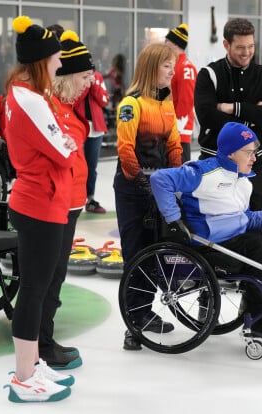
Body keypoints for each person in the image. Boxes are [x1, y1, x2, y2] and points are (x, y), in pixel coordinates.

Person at [150, 122, 262, 337]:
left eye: (254, 152)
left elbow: (244, 219)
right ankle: (259, 318)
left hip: (233, 241)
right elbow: (160, 179)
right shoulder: (203, 173)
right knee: (259, 245)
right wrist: (174, 220)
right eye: (248, 152)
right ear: (230, 154)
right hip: (206, 245)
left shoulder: (243, 181)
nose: (254, 158)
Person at [2, 15, 77, 403]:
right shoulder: (31, 100)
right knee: (34, 290)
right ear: (39, 61)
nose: (60, 65)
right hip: (40, 203)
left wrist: (64, 139)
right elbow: (65, 150)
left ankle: (29, 366)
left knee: (35, 287)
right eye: (55, 59)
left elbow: (60, 141)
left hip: (36, 199)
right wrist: (67, 142)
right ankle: (23, 377)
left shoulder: (18, 92)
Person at [113, 43, 182, 351]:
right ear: (152, 68)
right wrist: (142, 182)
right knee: (136, 253)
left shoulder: (167, 103)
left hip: (160, 186)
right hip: (133, 189)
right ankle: (133, 323)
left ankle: (145, 310)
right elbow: (125, 148)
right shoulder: (132, 103)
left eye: (173, 66)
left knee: (155, 250)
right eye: (168, 66)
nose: (173, 71)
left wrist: (177, 178)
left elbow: (175, 144)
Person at [40, 30, 93, 370]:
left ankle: (45, 338)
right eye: (85, 76)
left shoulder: (71, 107)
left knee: (56, 277)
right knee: (48, 278)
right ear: (67, 76)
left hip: (70, 205)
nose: (90, 82)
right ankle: (42, 344)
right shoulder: (49, 108)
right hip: (53, 206)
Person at [194, 18, 262, 211]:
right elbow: (207, 117)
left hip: (256, 166)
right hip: (214, 166)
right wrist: (255, 115)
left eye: (251, 46)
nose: (247, 52)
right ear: (226, 44)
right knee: (219, 230)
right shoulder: (209, 75)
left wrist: (234, 108)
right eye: (240, 47)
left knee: (259, 228)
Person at [76, 63, 109, 214]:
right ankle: (74, 199)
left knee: (91, 167)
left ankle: (90, 199)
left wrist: (93, 84)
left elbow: (104, 100)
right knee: (76, 166)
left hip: (96, 128)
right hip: (78, 126)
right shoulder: (76, 79)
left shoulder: (98, 78)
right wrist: (86, 84)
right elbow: (75, 100)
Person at [165, 23, 197, 162]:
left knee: (179, 173)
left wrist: (176, 128)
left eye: (167, 41)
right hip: (171, 128)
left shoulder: (185, 67)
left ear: (174, 44)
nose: (164, 44)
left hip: (179, 131)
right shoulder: (175, 64)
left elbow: (187, 101)